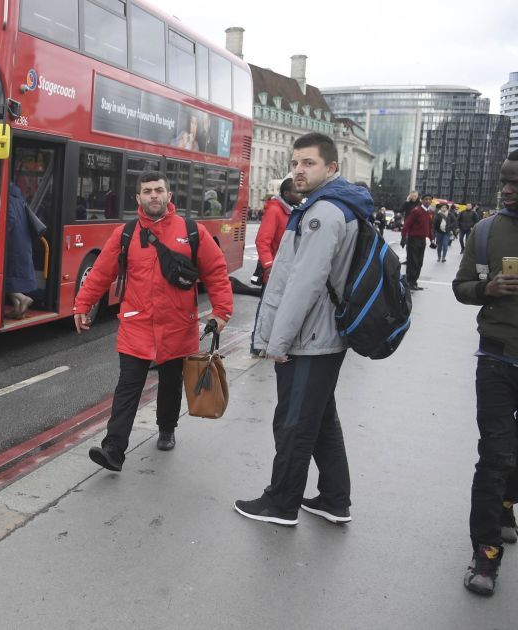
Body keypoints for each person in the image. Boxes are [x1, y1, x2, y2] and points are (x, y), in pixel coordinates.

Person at [234, 132, 366, 526]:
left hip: (308, 338)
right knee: (322, 418)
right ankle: (333, 498)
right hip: (325, 335)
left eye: (308, 163)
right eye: (295, 163)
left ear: (331, 168)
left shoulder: (321, 214)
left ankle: (281, 502)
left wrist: (278, 341)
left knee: (293, 423)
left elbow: (303, 284)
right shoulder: (338, 207)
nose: (298, 170)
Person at [74, 171, 233, 470]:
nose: (154, 196)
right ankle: (114, 449)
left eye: (159, 190)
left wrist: (221, 311)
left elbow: (216, 271)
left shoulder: (191, 230)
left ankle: (167, 428)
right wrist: (82, 303)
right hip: (137, 326)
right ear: (138, 198)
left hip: (177, 325)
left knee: (171, 383)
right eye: (147, 191)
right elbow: (101, 273)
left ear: (169, 195)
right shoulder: (125, 234)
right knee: (127, 387)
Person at [452, 149, 518, 597]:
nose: (507, 188)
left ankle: (507, 507)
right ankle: (485, 553)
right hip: (496, 357)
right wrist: (486, 288)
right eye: (504, 180)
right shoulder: (485, 231)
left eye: (516, 182)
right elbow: (461, 287)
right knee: (494, 455)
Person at [251, 177, 302, 355]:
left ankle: (269, 344)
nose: (300, 194)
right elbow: (262, 241)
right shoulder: (275, 210)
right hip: (274, 271)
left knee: (278, 307)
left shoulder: (293, 210)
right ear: (287, 194)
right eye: (296, 191)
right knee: (266, 307)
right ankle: (257, 346)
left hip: (286, 270)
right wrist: (269, 266)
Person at [4, 182, 39, 318]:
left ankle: (22, 299)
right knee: (13, 276)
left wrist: (1, 236)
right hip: (22, 242)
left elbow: (10, 219)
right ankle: (18, 309)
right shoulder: (20, 199)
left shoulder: (8, 199)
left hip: (13, 243)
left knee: (4, 278)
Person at [401, 193, 435, 290]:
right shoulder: (416, 211)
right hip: (413, 239)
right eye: (426, 199)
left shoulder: (428, 212)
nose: (428, 201)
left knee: (419, 262)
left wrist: (432, 239)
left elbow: (429, 227)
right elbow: (407, 224)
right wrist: (403, 237)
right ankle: (410, 282)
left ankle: (414, 281)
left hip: (422, 240)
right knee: (413, 261)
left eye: (430, 199)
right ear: (422, 200)